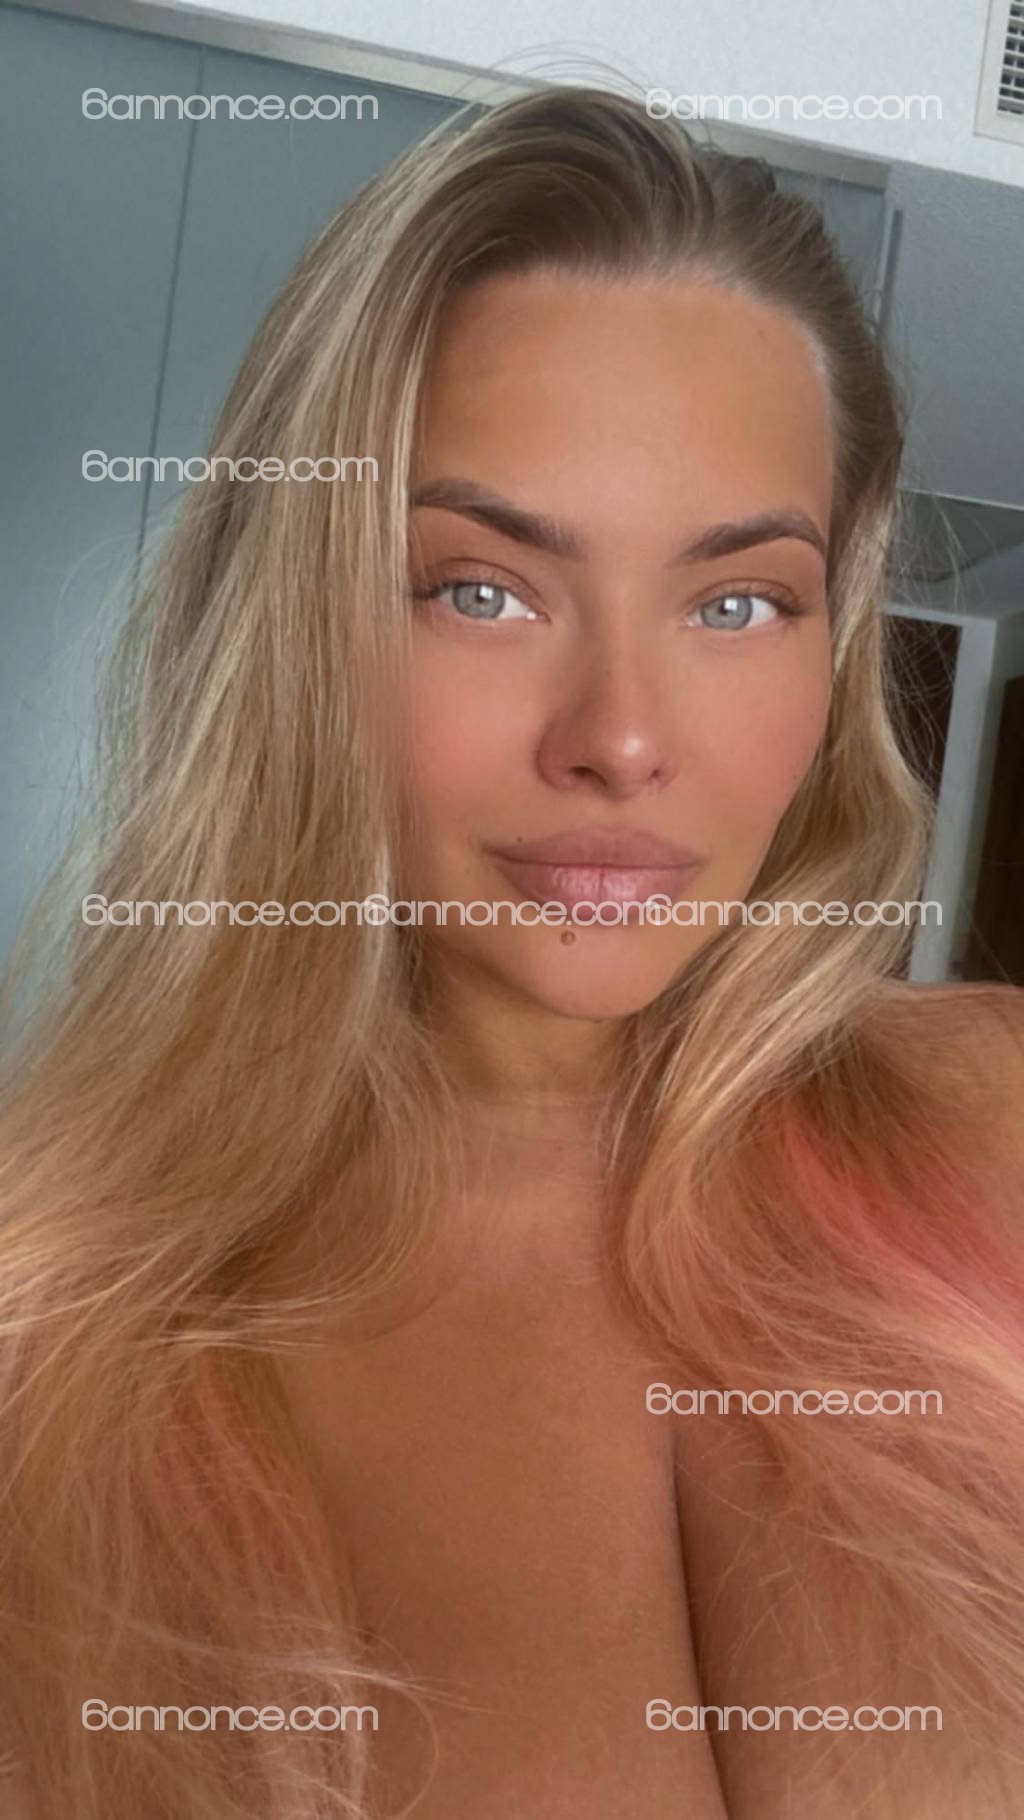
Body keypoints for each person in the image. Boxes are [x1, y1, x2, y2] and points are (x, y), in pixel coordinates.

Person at [0, 85, 1021, 1820]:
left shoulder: (998, 1117)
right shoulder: (60, 1355)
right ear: (304, 623)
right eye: (482, 588)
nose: (620, 739)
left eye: (735, 602)